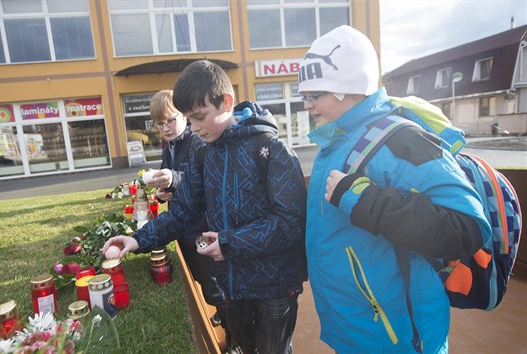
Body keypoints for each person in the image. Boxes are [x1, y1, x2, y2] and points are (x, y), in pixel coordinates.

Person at [300, 25, 492, 353]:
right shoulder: (336, 142)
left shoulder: (401, 139)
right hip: (358, 330)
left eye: (314, 95)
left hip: (397, 337)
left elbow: (467, 228)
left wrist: (365, 201)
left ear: (347, 88)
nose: (307, 106)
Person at [103, 60, 307, 354]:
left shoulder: (272, 150)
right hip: (232, 283)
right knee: (245, 347)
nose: (195, 128)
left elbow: (290, 224)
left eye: (199, 117)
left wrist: (229, 242)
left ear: (226, 102)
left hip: (275, 286)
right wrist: (137, 240)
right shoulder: (206, 155)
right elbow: (183, 211)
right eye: (189, 118)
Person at [145, 89, 229, 333]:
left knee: (215, 286)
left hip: (203, 229)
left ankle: (234, 337)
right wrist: (163, 193)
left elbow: (204, 181)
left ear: (183, 116)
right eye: (160, 124)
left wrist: (174, 178)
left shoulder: (197, 142)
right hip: (183, 229)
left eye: (171, 120)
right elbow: (171, 183)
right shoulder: (168, 147)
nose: (167, 128)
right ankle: (224, 318)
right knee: (204, 283)